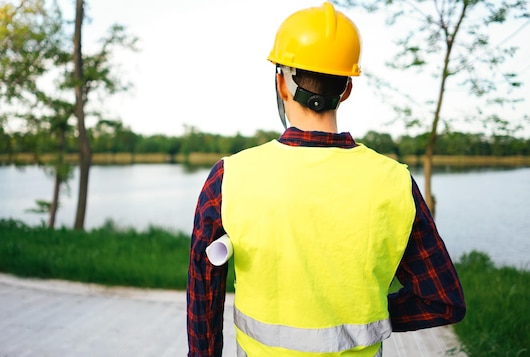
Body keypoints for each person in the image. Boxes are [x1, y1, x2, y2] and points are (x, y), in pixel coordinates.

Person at [186, 2, 466, 356]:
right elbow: (442, 301)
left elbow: (204, 299)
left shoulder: (229, 178)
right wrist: (369, 314)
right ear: (346, 88)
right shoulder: (394, 182)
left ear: (281, 83)